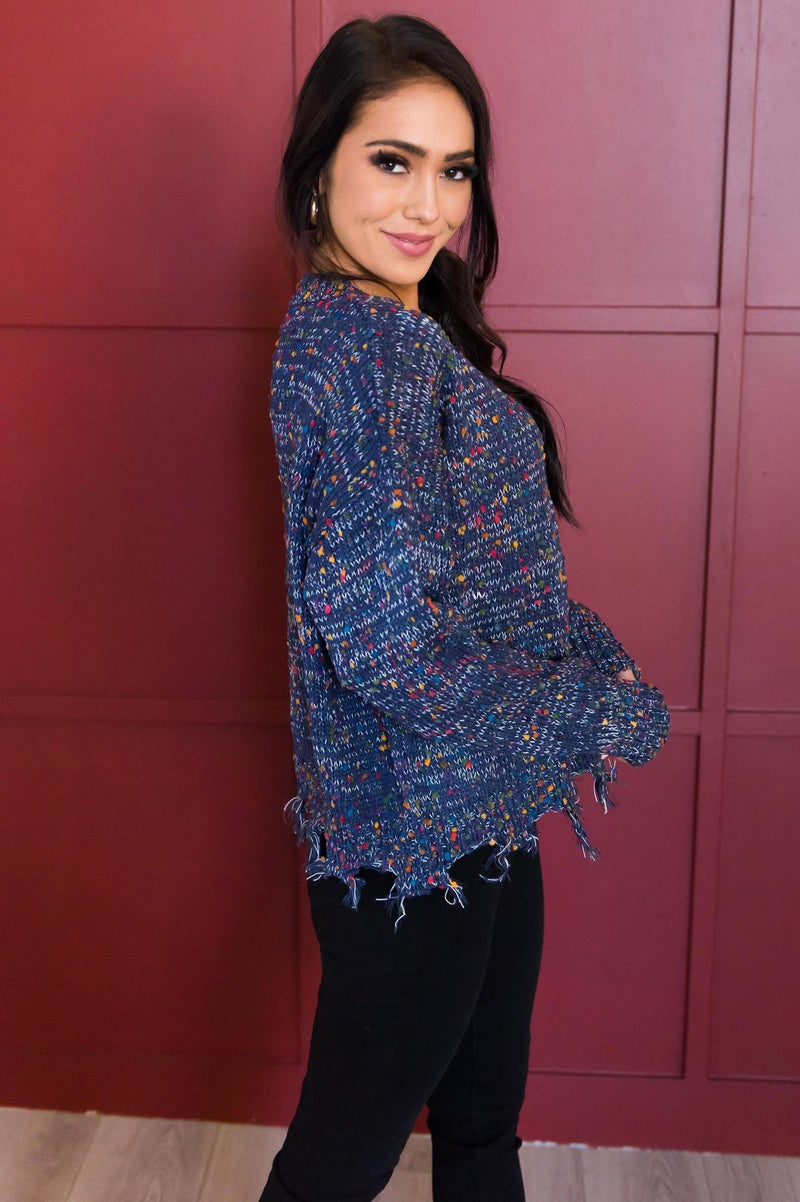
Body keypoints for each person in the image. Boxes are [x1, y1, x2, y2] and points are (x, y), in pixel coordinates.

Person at [259, 14, 670, 1202]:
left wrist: (571, 657)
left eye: (453, 170)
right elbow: (389, 642)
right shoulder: (362, 355)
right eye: (391, 160)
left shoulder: (390, 327)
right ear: (318, 167)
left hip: (471, 800)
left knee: (482, 1122)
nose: (427, 205)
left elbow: (462, 584)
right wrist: (587, 705)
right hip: (409, 835)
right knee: (341, 1162)